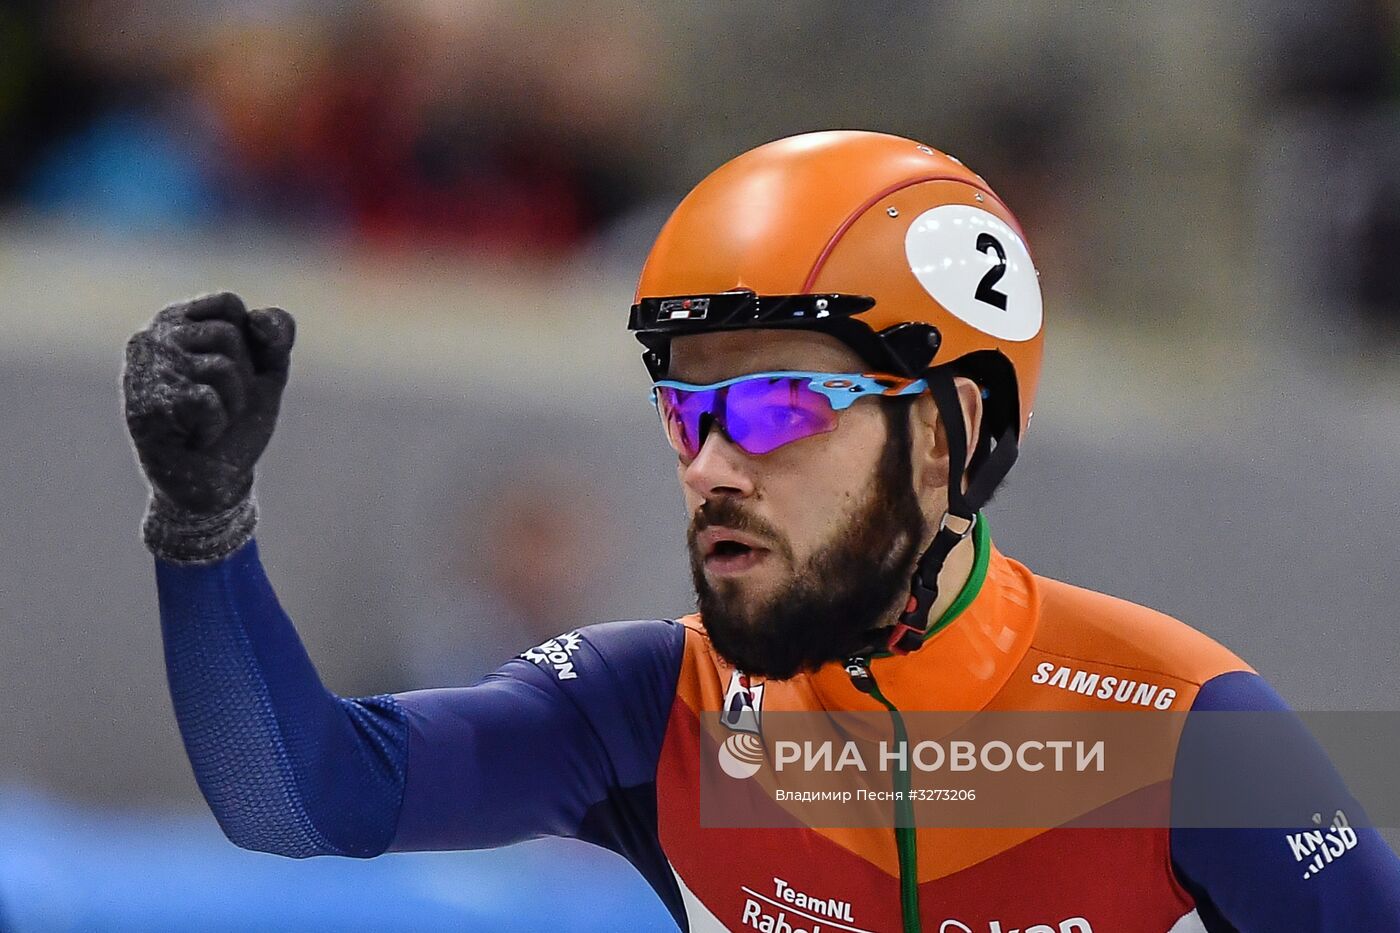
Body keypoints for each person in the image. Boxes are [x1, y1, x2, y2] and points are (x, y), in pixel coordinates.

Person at [122, 131, 1400, 932]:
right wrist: (203, 523)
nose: (712, 467)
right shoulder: (646, 710)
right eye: (685, 413)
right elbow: (298, 798)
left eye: (781, 403)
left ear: (951, 428)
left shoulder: (1180, 732)